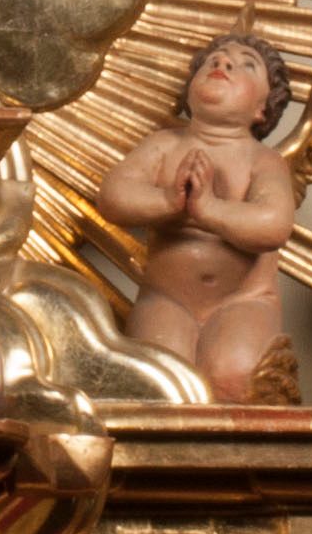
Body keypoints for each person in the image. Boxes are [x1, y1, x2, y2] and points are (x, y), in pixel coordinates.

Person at [96, 30, 297, 400]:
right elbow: (113, 196)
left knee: (234, 373)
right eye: (212, 61)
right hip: (166, 300)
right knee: (160, 378)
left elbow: (273, 225)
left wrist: (209, 209)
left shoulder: (263, 161)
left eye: (246, 65)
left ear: (263, 109)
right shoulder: (163, 146)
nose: (223, 63)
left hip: (243, 300)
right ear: (189, 92)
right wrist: (168, 200)